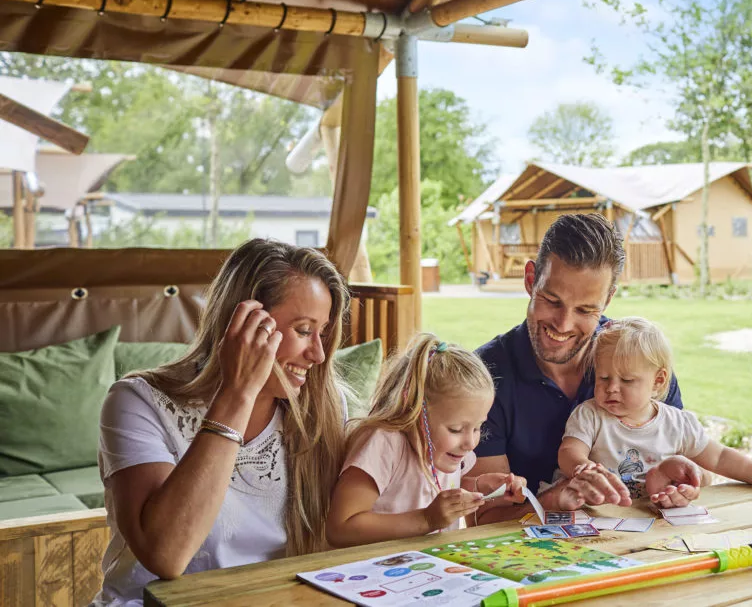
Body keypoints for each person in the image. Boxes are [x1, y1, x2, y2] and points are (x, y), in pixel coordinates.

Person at [93, 239, 351, 606]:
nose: (318, 354)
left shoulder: (323, 407)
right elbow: (166, 555)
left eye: (323, 333)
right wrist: (238, 394)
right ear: (244, 323)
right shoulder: (137, 402)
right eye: (304, 330)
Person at [469, 213, 702, 521]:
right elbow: (481, 519)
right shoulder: (485, 376)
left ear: (607, 300)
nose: (563, 325)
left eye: (585, 310)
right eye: (552, 301)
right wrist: (552, 500)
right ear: (530, 280)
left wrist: (680, 485)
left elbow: (690, 469)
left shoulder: (638, 362)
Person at [325, 334, 525, 546]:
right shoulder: (383, 444)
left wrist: (482, 488)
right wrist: (426, 519)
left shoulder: (444, 451)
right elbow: (340, 528)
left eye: (478, 427)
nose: (471, 443)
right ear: (415, 409)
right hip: (371, 571)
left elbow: (434, 489)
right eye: (456, 429)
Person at [558, 317, 752, 502]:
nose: (612, 389)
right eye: (604, 378)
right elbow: (569, 451)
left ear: (658, 381)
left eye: (627, 380)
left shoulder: (677, 424)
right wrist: (583, 467)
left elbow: (718, 457)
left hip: (654, 518)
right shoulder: (590, 415)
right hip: (600, 516)